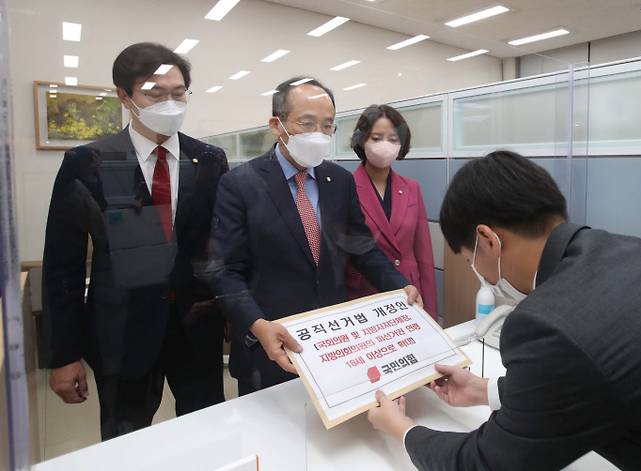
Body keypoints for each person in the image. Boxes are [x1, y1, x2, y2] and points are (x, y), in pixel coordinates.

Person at [367, 150, 641, 470]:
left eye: (469, 260)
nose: (477, 272)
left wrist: (402, 428)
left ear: (488, 240)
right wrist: (486, 390)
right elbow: (583, 378)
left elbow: (484, 464)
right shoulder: (635, 250)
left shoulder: (545, 327)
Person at [43, 42, 229, 440]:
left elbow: (220, 247)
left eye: (178, 93)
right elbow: (63, 265)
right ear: (125, 96)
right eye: (154, 93)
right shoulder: (92, 161)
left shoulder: (209, 159)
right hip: (122, 332)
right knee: (124, 440)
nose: (169, 102)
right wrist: (63, 355)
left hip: (196, 328)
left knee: (207, 435)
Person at [211, 77, 422, 395]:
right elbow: (226, 272)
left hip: (331, 344)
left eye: (327, 126)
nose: (319, 135)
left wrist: (398, 284)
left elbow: (361, 248)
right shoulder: (240, 184)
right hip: (269, 344)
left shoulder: (338, 181)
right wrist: (256, 324)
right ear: (276, 124)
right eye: (307, 124)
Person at [346, 105, 437, 319]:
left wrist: (431, 311)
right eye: (376, 138)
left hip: (409, 296)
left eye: (393, 139)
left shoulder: (411, 187)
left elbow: (423, 253)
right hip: (364, 297)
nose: (385, 145)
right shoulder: (345, 187)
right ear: (361, 140)